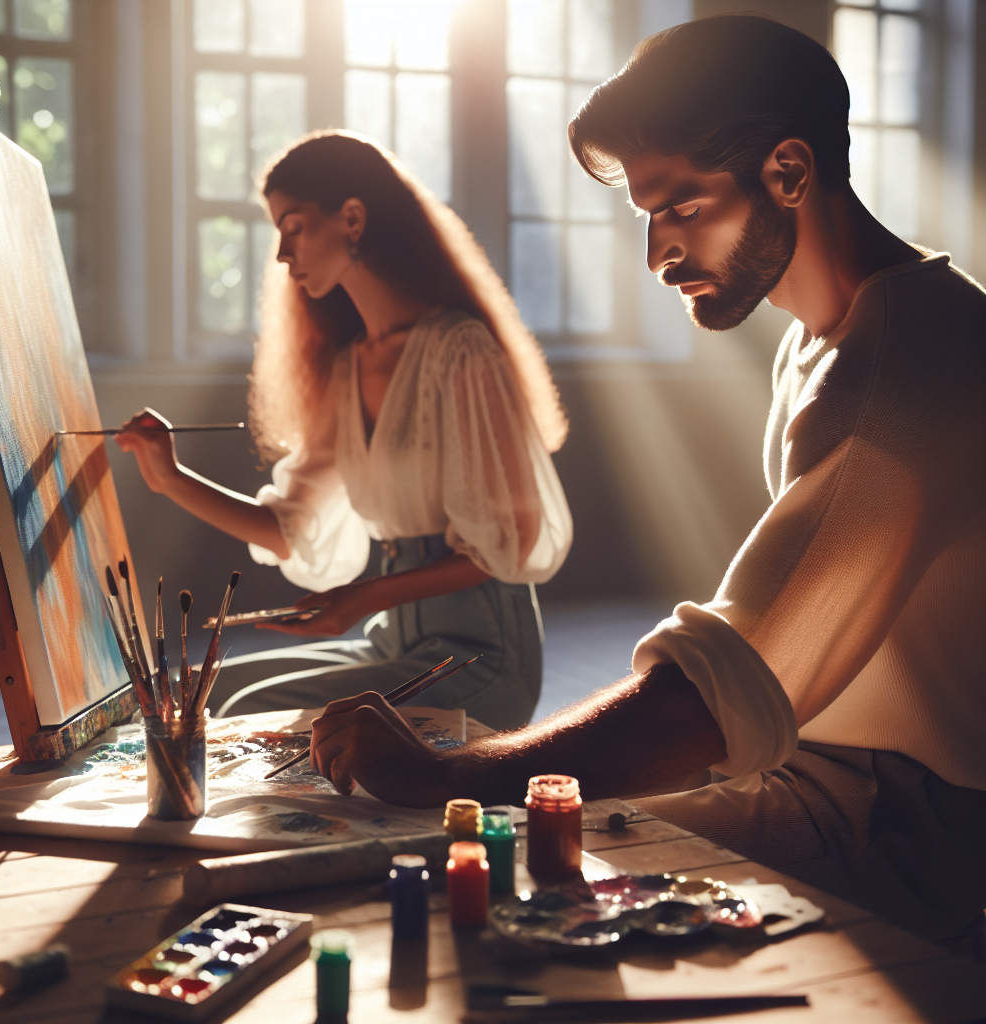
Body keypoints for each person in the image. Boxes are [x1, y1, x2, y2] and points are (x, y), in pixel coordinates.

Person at [304, 16, 986, 957]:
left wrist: (440, 772)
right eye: (649, 217)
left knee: (489, 873)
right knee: (488, 853)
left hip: (906, 824)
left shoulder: (906, 367)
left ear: (789, 171)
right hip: (815, 768)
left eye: (682, 207)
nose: (659, 254)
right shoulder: (825, 340)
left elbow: (714, 699)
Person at [116, 131, 572, 730]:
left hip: (482, 656)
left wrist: (363, 598)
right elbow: (287, 530)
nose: (281, 253)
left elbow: (509, 538)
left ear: (352, 218)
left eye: (294, 226)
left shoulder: (460, 349)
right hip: (395, 641)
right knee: (209, 686)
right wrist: (169, 478)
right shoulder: (347, 366)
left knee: (247, 711)